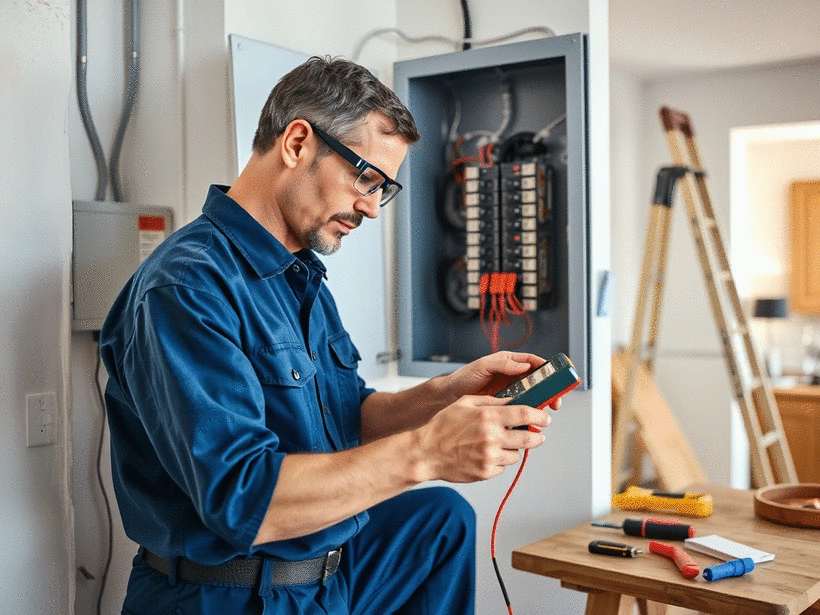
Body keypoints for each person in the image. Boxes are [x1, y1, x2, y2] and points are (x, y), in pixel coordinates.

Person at [100, 56, 557, 615]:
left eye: (382, 188)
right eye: (365, 177)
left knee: (441, 522)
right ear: (296, 143)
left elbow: (344, 417)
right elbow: (246, 500)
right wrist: (430, 451)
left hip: (323, 579)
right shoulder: (186, 287)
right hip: (223, 594)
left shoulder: (302, 274)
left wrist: (447, 396)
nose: (370, 206)